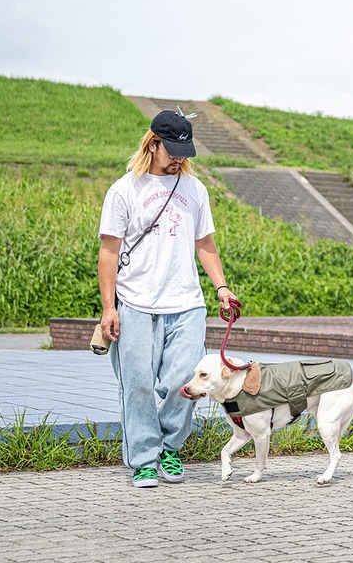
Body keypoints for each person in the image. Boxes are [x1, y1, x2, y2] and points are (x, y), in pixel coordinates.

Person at [97, 109, 237, 488]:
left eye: (184, 152)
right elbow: (109, 252)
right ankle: (143, 458)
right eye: (172, 150)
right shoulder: (124, 190)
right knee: (138, 383)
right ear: (153, 143)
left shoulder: (195, 190)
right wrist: (109, 307)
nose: (179, 158)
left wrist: (221, 287)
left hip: (186, 302)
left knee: (186, 379)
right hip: (136, 303)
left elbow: (204, 243)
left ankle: (170, 447)